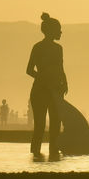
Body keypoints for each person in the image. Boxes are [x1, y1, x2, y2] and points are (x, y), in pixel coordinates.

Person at [26, 12, 67, 158]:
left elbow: (60, 68)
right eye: (59, 29)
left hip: (55, 90)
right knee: (40, 125)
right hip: (40, 91)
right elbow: (29, 70)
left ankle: (54, 150)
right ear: (51, 31)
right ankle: (36, 152)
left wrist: (64, 83)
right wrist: (44, 78)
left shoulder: (58, 48)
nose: (61, 32)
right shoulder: (38, 47)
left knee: (56, 123)